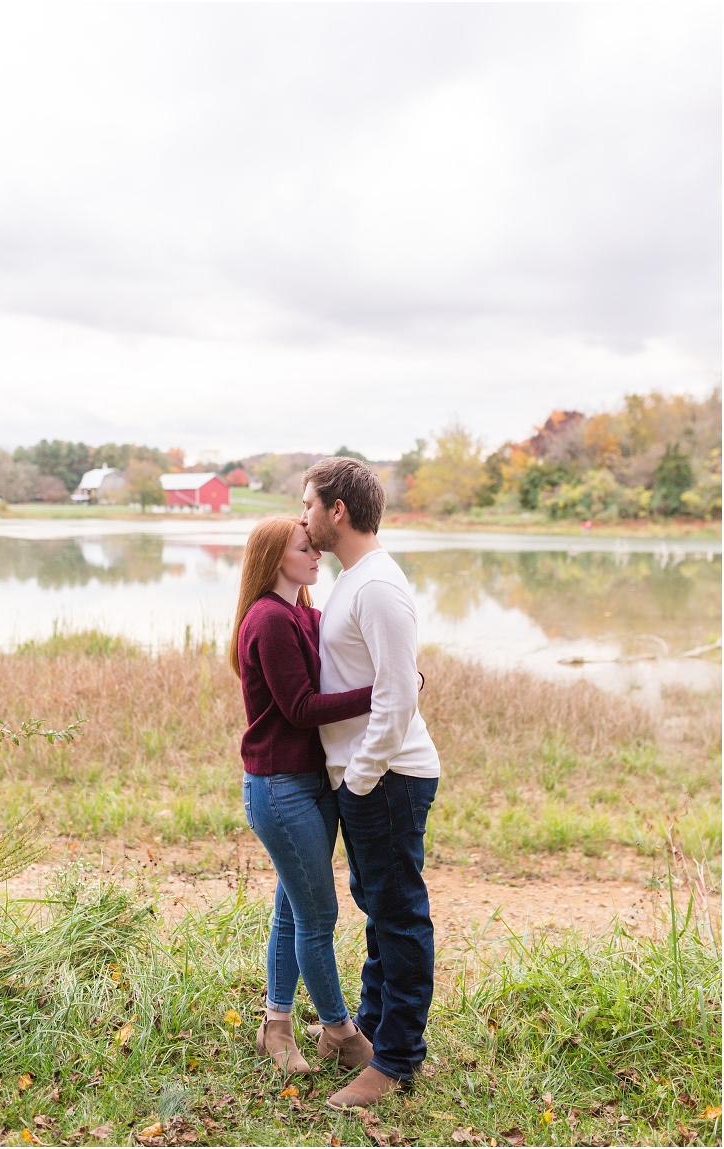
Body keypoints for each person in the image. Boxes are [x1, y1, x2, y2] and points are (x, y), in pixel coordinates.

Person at [301, 458, 440, 1109]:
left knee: (399, 915)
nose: (302, 517)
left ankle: (397, 1060)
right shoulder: (356, 580)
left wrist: (357, 779)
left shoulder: (379, 585)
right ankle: (377, 1028)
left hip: (386, 777)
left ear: (338, 510)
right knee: (380, 912)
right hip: (370, 779)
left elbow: (397, 697)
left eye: (308, 504)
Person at [230, 515, 375, 1076]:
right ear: (273, 559)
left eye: (315, 545)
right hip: (279, 786)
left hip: (311, 783)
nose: (316, 553)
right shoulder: (268, 619)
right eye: (303, 547)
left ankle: (277, 1024)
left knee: (292, 909)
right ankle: (341, 1032)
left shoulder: (302, 614)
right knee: (318, 915)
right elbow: (300, 708)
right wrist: (380, 692)